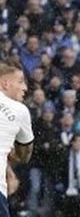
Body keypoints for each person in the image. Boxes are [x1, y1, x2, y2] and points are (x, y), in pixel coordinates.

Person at [0, 63, 34, 217]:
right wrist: (12, 154)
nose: (25, 87)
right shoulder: (19, 110)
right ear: (5, 83)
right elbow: (24, 155)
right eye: (20, 81)